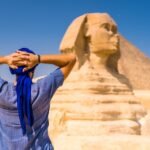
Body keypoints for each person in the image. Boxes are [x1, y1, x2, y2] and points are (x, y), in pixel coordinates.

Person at [0, 48, 76, 150]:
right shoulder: (43, 88)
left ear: (12, 69)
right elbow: (71, 59)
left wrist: (5, 59)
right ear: (33, 69)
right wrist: (38, 58)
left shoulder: (2, 91)